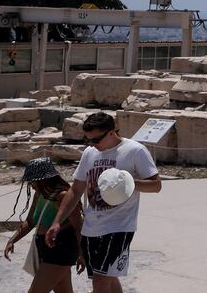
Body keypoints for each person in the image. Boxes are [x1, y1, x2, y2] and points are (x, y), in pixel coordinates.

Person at [47, 112, 161, 293]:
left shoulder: (135, 151)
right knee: (109, 279)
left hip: (119, 227)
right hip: (91, 228)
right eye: (89, 140)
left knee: (99, 282)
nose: (92, 144)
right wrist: (57, 221)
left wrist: (126, 182)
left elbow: (156, 185)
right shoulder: (90, 153)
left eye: (96, 139)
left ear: (111, 132)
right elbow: (76, 190)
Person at [4, 158, 82, 293]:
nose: (30, 184)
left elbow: (78, 227)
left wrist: (83, 254)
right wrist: (12, 240)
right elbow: (30, 222)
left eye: (32, 180)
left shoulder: (62, 196)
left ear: (42, 180)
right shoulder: (39, 195)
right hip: (43, 247)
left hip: (61, 248)